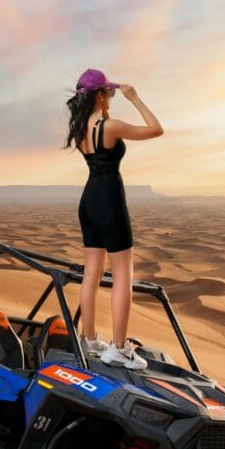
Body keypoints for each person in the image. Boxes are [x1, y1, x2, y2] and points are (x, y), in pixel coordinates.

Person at [63, 68, 164, 369]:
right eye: (112, 93)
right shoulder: (109, 126)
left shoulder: (80, 128)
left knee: (92, 272)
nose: (113, 98)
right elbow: (156, 129)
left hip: (88, 201)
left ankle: (89, 337)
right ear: (100, 94)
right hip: (108, 199)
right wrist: (136, 98)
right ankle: (119, 348)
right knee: (123, 275)